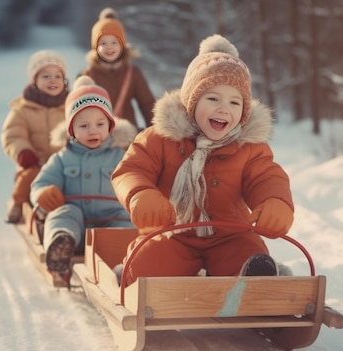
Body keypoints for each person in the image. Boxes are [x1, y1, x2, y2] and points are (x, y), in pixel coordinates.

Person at [111, 34, 295, 288]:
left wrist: (276, 203)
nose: (224, 109)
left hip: (230, 236)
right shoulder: (160, 138)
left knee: (249, 254)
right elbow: (131, 169)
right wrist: (140, 194)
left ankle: (258, 282)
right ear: (191, 101)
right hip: (173, 233)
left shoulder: (249, 147)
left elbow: (266, 177)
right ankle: (129, 275)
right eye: (213, 99)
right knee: (147, 265)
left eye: (234, 102)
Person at [30, 75, 137, 284]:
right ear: (71, 130)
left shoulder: (120, 157)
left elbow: (134, 180)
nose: (93, 130)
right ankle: (60, 245)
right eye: (84, 125)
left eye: (100, 123)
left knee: (127, 222)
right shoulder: (62, 158)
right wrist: (43, 194)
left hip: (110, 222)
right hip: (76, 226)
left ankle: (125, 261)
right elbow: (40, 183)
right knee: (62, 214)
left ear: (110, 126)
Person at [1, 50, 69, 224]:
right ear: (35, 81)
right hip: (35, 162)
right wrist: (23, 152)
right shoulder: (23, 109)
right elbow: (13, 134)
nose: (52, 80)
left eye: (57, 76)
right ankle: (17, 204)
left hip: (65, 164)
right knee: (31, 175)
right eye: (46, 76)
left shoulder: (70, 107)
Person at [80, 7, 156, 130]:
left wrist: (155, 131)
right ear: (95, 47)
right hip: (98, 139)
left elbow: (147, 104)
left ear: (122, 45)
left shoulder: (133, 73)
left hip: (128, 136)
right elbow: (78, 110)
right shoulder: (88, 76)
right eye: (103, 43)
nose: (109, 47)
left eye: (114, 42)